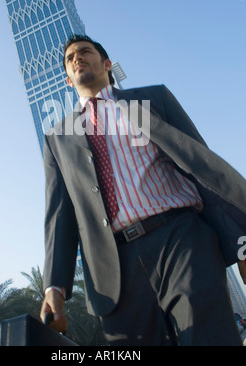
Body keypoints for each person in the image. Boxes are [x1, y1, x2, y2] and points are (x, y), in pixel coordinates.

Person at [40, 34, 246, 346]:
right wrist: (54, 288)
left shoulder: (150, 100)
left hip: (180, 239)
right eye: (70, 59)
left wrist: (241, 241)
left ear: (107, 65)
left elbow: (201, 166)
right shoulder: (58, 138)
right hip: (112, 269)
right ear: (68, 80)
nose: (77, 58)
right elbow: (59, 217)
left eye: (85, 52)